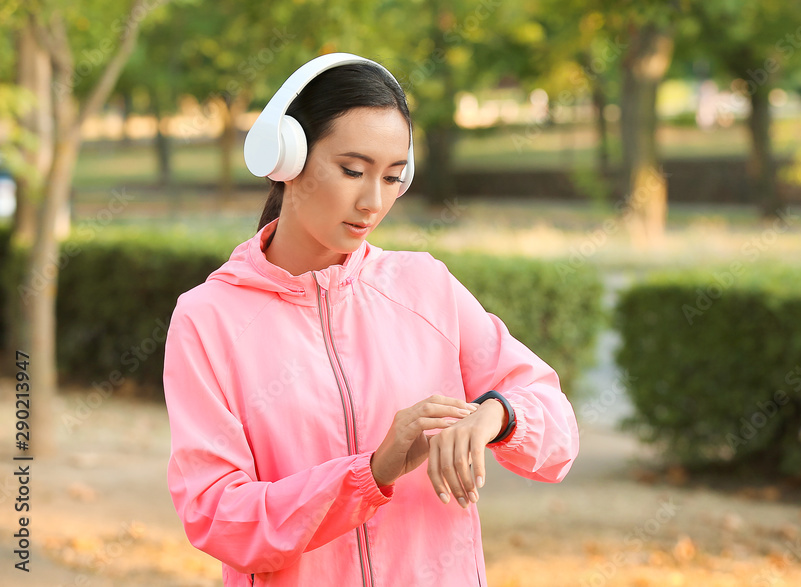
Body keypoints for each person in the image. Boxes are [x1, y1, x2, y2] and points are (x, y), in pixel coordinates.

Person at [162, 53, 580, 587]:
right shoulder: (209, 319)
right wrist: (372, 472)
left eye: (392, 178)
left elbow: (557, 429)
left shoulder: (426, 288)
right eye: (353, 171)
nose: (372, 201)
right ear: (286, 158)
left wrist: (495, 416)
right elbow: (219, 515)